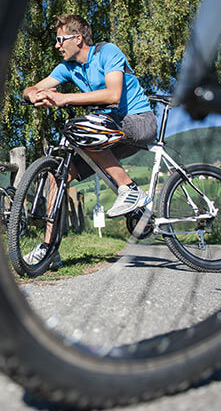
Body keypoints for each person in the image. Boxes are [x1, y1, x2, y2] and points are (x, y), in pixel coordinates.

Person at [22, 14, 157, 264]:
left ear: (78, 38)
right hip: (107, 133)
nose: (57, 45)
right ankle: (49, 249)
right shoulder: (67, 68)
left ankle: (130, 189)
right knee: (59, 177)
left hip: (138, 121)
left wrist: (64, 98)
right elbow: (31, 88)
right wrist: (32, 95)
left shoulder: (107, 52)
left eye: (61, 39)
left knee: (83, 129)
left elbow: (113, 95)